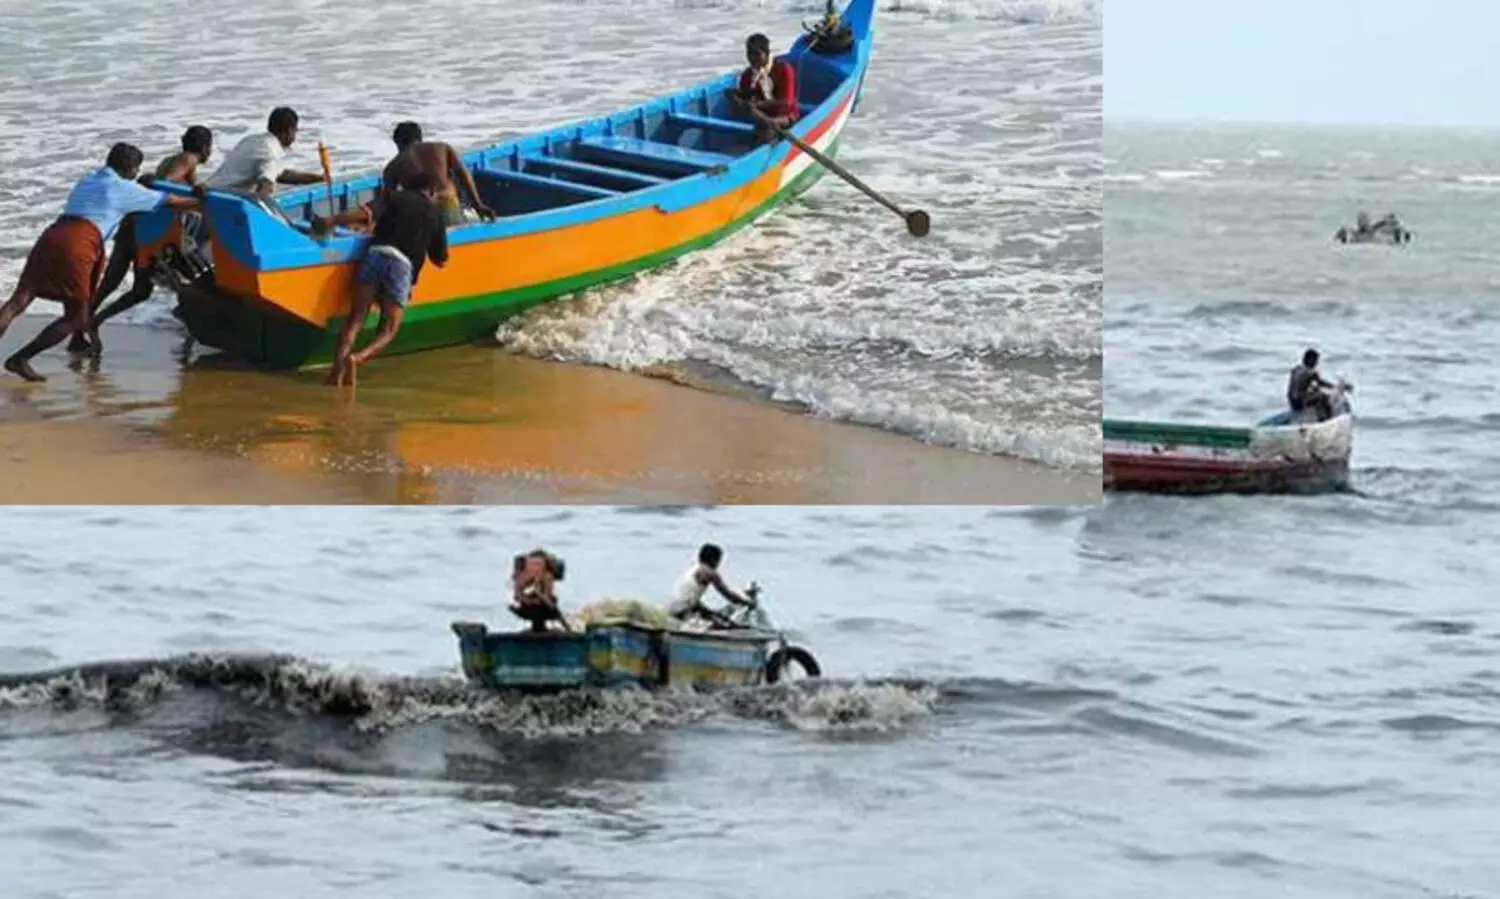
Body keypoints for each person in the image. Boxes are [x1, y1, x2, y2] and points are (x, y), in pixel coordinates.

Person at [0, 143, 203, 381]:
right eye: (135, 169)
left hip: (52, 235)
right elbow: (172, 202)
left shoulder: (89, 179)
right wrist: (199, 198)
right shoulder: (124, 188)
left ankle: (70, 343)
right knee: (77, 317)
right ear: (129, 169)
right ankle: (20, 359)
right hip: (78, 243)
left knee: (20, 299)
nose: (136, 174)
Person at [74, 126, 217, 355]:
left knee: (113, 282)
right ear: (205, 147)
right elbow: (163, 182)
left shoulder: (179, 160)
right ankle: (94, 322)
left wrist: (195, 193)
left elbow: (181, 187)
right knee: (186, 279)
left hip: (136, 224)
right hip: (149, 231)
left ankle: (80, 329)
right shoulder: (187, 159)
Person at [310, 171, 450, 386]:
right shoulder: (435, 214)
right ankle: (357, 358)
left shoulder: (394, 197)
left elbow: (363, 213)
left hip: (375, 254)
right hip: (402, 266)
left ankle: (335, 373)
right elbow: (440, 259)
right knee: (388, 330)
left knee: (356, 319)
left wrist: (332, 220)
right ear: (431, 191)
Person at [382, 121, 494, 227]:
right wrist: (478, 205)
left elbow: (387, 202)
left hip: (419, 210)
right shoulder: (442, 148)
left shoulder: (393, 166)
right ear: (420, 138)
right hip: (447, 203)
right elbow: (463, 174)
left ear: (398, 143)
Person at [207, 107, 326, 196]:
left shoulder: (251, 140)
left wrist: (317, 178)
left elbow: (281, 174)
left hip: (209, 190)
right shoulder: (271, 152)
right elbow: (266, 184)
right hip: (222, 198)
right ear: (289, 131)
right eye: (295, 130)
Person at [730, 33, 799, 140]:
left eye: (757, 54)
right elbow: (746, 97)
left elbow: (786, 101)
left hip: (785, 116)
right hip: (762, 118)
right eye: (749, 54)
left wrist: (758, 105)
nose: (752, 58)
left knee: (769, 132)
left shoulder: (784, 69)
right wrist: (737, 97)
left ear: (767, 54)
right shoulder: (747, 75)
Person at [667, 543, 756, 625]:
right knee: (726, 625)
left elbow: (690, 599)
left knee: (718, 617)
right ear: (714, 560)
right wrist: (747, 603)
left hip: (672, 609)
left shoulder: (694, 569)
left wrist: (711, 613)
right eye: (719, 560)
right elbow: (728, 595)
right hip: (682, 611)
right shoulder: (709, 573)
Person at [510, 550, 569, 632]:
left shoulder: (546, 576)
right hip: (533, 606)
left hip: (538, 606)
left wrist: (537, 595)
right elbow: (518, 595)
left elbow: (518, 595)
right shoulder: (545, 576)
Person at [1286, 348, 1339, 422]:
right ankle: (1326, 420)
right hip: (1300, 403)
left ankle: (1314, 414)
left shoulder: (1296, 369)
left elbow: (1300, 386)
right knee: (1323, 397)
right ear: (1311, 360)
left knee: (1314, 391)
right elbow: (1321, 383)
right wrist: (1337, 387)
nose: (1316, 364)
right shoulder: (1311, 372)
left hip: (1292, 402)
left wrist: (1313, 389)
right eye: (1316, 361)